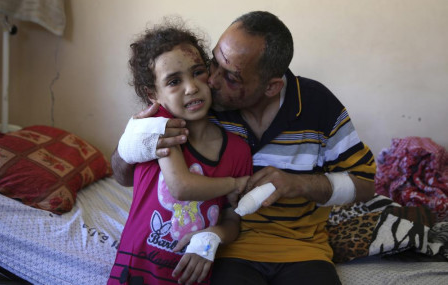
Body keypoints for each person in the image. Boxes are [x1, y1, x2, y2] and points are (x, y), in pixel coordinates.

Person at [112, 11, 376, 285]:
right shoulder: (200, 105)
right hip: (230, 249)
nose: (210, 81)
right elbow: (125, 175)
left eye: (231, 77)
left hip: (302, 248)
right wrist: (131, 143)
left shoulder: (318, 106)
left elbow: (366, 185)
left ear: (271, 87)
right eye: (213, 62)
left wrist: (296, 184)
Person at [107, 20, 252, 285]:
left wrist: (213, 236)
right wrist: (235, 183)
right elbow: (181, 187)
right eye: (174, 81)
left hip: (189, 275)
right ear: (153, 94)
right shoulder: (158, 130)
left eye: (198, 72)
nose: (192, 87)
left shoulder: (238, 150)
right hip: (136, 268)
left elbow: (233, 218)